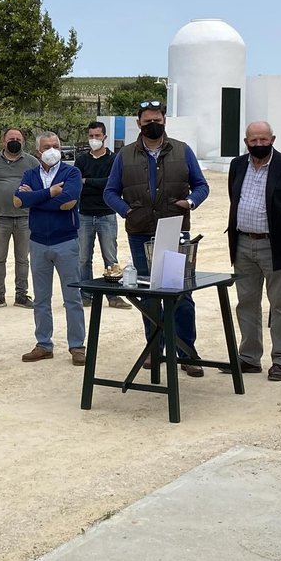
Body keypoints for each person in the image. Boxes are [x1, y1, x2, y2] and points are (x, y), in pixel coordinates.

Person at [103, 101, 210, 374]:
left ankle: (186, 352)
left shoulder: (183, 150)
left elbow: (201, 185)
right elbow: (110, 192)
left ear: (164, 122)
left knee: (180, 294)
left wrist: (190, 202)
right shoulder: (124, 155)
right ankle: (154, 349)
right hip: (140, 234)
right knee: (149, 295)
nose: (153, 124)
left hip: (174, 231)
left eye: (158, 120)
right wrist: (127, 211)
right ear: (139, 123)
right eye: (148, 120)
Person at [225, 121, 281, 382]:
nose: (259, 145)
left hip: (275, 246)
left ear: (273, 139)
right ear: (246, 142)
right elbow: (235, 199)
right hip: (243, 244)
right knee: (246, 304)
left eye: (264, 140)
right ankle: (249, 358)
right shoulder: (237, 165)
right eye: (254, 141)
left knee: (280, 305)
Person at [14, 133, 85, 364]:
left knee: (72, 297)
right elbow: (18, 200)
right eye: (47, 147)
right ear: (37, 152)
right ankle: (44, 344)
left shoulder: (71, 172)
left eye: (55, 146)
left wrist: (35, 198)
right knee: (42, 298)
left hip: (66, 241)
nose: (52, 149)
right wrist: (50, 193)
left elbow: (68, 202)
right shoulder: (30, 173)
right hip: (38, 243)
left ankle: (77, 346)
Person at [0, 129, 39, 310]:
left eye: (18, 139)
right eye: (11, 139)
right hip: (0, 217)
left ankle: (21, 295)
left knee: (23, 259)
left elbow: (40, 185)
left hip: (25, 218)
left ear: (23, 141)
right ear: (3, 141)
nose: (15, 141)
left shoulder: (32, 162)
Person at [74, 120, 129, 310]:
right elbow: (77, 186)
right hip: (85, 215)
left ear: (105, 137)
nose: (94, 139)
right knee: (83, 259)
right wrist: (98, 184)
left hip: (107, 214)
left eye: (97, 136)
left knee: (111, 258)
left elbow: (113, 184)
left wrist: (88, 180)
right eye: (91, 136)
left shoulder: (115, 159)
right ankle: (86, 295)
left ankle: (114, 295)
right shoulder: (81, 160)